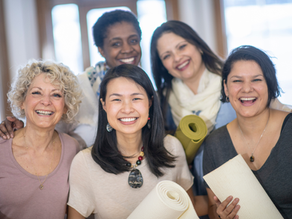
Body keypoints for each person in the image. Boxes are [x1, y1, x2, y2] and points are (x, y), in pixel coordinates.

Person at [67, 64, 208, 219]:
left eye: (136, 98)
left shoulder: (171, 147)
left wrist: (220, 205)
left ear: (150, 102)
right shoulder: (85, 162)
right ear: (104, 105)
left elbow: (188, 207)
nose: (127, 108)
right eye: (116, 99)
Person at [0, 9, 142, 148]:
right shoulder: (78, 86)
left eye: (133, 40)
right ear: (101, 49)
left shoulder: (146, 87)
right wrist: (17, 127)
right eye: (116, 44)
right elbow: (44, 122)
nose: (127, 49)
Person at [203, 45, 292, 219]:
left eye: (256, 80)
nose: (246, 89)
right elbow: (212, 209)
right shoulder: (215, 143)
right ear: (226, 88)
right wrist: (221, 214)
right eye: (237, 81)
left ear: (270, 84)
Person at [0, 60, 82, 219]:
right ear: (22, 101)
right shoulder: (1, 148)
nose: (46, 101)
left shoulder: (72, 148)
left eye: (56, 94)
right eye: (37, 92)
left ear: (65, 106)